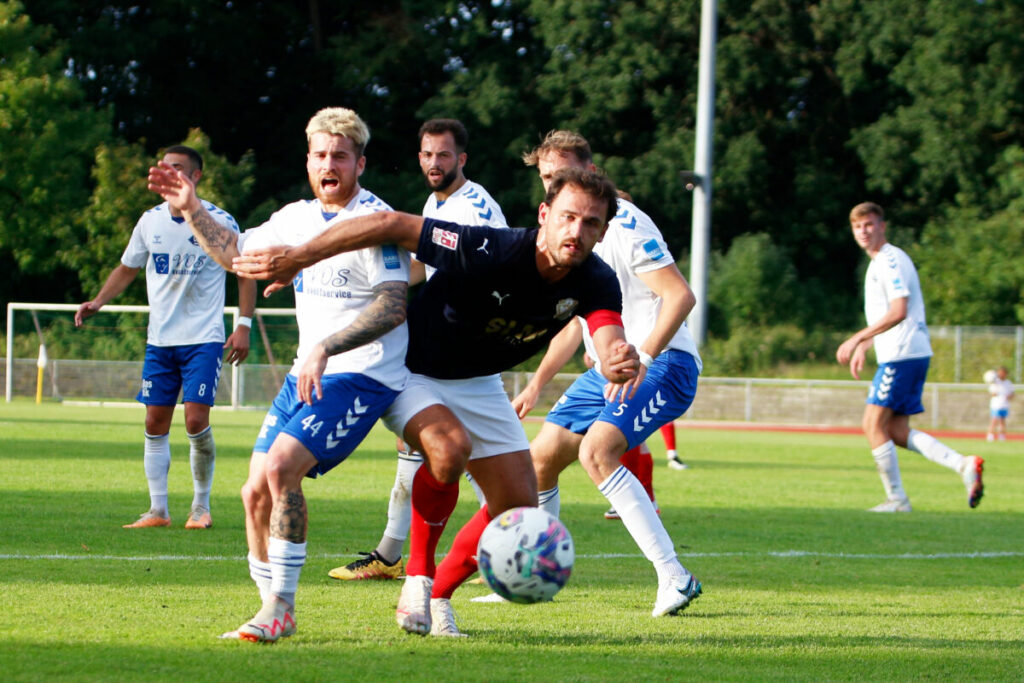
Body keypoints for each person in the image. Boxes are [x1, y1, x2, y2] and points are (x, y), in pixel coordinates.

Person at [233, 167, 641, 637]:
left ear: (604, 230)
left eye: (591, 223)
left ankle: (439, 596)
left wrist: (616, 359)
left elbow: (610, 338)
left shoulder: (596, 279)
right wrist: (298, 258)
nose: (577, 230)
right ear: (544, 214)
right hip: (414, 369)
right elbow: (389, 224)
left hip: (480, 380)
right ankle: (416, 583)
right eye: (568, 216)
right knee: (449, 449)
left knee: (518, 509)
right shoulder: (491, 247)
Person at [147, 107, 412, 643]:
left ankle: (282, 606)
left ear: (360, 163)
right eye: (320, 155)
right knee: (252, 493)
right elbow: (234, 254)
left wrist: (327, 347)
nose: (329, 163)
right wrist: (191, 207)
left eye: (340, 155)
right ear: (308, 162)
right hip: (306, 374)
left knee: (282, 469)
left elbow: (393, 304)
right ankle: (272, 606)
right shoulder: (294, 217)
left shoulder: (373, 222)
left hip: (362, 374)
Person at [510, 130, 703, 617]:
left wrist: (646, 357)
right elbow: (576, 328)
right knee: (541, 459)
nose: (553, 188)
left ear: (591, 173)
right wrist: (537, 383)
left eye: (562, 176)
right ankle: (538, 574)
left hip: (665, 362)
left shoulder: (625, 224)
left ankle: (674, 577)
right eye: (546, 180)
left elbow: (681, 296)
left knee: (599, 451)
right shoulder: (574, 233)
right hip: (612, 368)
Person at [328, 117, 507, 582]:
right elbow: (423, 269)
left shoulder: (474, 208)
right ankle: (391, 555)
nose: (433, 163)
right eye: (426, 154)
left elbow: (489, 279)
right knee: (420, 448)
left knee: (492, 475)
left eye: (443, 155)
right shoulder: (436, 202)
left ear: (461, 159)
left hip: (464, 357)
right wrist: (369, 288)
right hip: (435, 350)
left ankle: (510, 545)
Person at [75, 145, 255, 530]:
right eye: (166, 168)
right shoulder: (149, 221)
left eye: (179, 169)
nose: (170, 174)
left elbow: (244, 272)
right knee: (155, 420)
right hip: (160, 341)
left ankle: (200, 508)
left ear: (196, 176)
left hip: (203, 339)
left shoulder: (219, 221)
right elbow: (127, 268)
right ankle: (158, 510)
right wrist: (99, 301)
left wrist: (244, 324)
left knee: (194, 420)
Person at [836, 202, 984, 512]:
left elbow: (898, 310)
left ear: (882, 226)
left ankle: (897, 499)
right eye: (857, 227)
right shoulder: (879, 262)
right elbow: (887, 313)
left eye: (869, 224)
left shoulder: (890, 260)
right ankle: (964, 464)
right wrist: (867, 343)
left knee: (871, 423)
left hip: (902, 354)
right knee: (896, 431)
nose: (863, 231)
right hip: (908, 353)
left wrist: (858, 337)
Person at [986, 366, 1014, 441]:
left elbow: (1012, 394)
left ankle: (1001, 436)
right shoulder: (995, 382)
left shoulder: (1008, 383)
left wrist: (1009, 396)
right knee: (994, 420)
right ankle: (990, 435)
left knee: (1002, 421)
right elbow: (992, 393)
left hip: (1004, 405)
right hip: (996, 405)